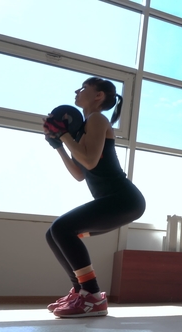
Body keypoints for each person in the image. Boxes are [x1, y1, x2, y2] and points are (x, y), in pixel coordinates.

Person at [42, 77, 146, 318]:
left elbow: (89, 160)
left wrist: (64, 135)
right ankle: (81, 292)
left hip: (123, 199)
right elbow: (80, 173)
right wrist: (58, 145)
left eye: (84, 88)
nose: (77, 91)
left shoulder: (97, 119)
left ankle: (92, 295)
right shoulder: (84, 131)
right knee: (55, 233)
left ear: (98, 96)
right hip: (114, 201)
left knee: (62, 228)